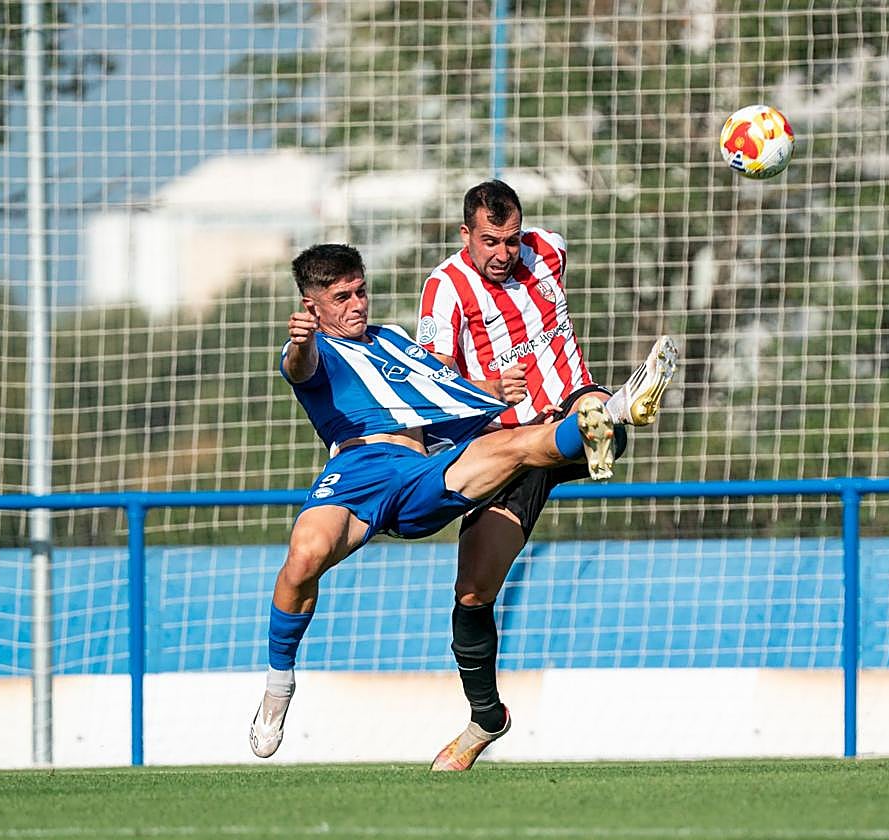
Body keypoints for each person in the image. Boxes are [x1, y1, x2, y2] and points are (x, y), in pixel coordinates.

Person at [249, 242, 677, 762]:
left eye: (361, 290)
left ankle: (609, 414)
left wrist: (488, 387)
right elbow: (300, 368)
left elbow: (441, 389)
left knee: (516, 445)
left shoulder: (394, 341)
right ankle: (278, 687)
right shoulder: (313, 349)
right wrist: (299, 343)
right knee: (304, 557)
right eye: (342, 297)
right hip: (356, 472)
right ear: (312, 306)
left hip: (424, 468)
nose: (358, 304)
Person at [416, 180, 677, 770]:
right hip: (505, 451)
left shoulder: (549, 250)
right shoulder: (445, 290)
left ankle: (609, 415)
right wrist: (481, 389)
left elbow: (547, 272)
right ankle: (486, 719)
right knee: (473, 593)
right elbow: (426, 386)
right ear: (465, 234)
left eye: (511, 239)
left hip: (566, 409)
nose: (504, 253)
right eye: (490, 241)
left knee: (595, 416)